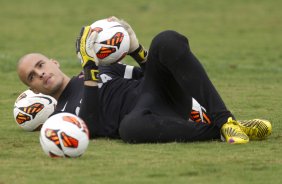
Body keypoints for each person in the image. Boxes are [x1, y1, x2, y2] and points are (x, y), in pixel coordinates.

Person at [17, 17, 272, 144]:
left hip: (159, 97)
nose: (40, 73)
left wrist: (137, 48)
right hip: (142, 120)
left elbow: (155, 73)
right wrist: (89, 64)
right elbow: (90, 125)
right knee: (129, 129)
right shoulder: (59, 116)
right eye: (32, 76)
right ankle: (222, 130)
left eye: (40, 65)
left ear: (54, 62)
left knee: (165, 40)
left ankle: (225, 120)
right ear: (33, 88)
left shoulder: (104, 69)